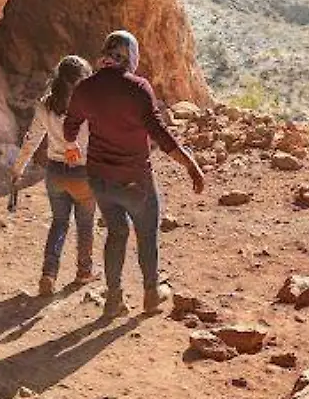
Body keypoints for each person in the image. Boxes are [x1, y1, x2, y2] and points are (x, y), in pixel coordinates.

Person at [63, 30, 205, 317]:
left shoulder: (85, 88)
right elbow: (160, 135)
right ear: (130, 55)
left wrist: (72, 147)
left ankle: (113, 301)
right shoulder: (138, 88)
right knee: (147, 235)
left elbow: (70, 128)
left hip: (100, 179)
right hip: (135, 179)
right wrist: (190, 164)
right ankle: (151, 296)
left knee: (116, 233)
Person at [11, 55, 96, 297]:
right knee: (85, 224)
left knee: (59, 223)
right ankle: (84, 271)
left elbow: (32, 139)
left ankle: (48, 273)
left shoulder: (45, 105)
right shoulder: (90, 106)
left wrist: (18, 168)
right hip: (84, 173)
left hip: (56, 173)